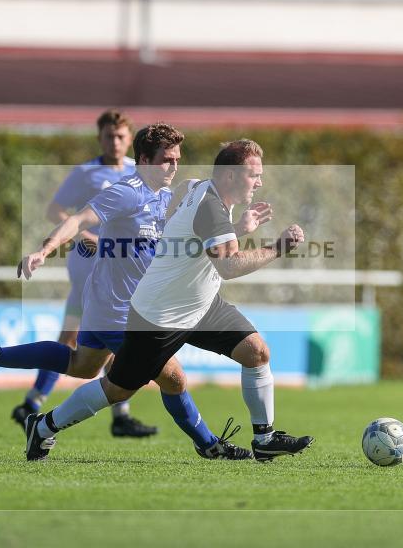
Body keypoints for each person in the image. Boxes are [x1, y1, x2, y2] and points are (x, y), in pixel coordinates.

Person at [0, 124, 269, 461]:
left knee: (81, 365)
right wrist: (45, 249)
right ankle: (209, 444)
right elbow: (79, 220)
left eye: (177, 160)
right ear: (143, 161)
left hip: (111, 302)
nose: (174, 167)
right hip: (120, 308)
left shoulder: (169, 198)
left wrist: (237, 230)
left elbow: (180, 246)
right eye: (166, 160)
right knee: (172, 378)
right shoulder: (127, 192)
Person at [24, 139, 314, 462]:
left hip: (202, 305)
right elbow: (229, 266)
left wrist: (235, 229)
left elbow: (184, 213)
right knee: (117, 389)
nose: (259, 182)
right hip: (159, 316)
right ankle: (43, 426)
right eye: (253, 175)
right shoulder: (210, 207)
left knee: (256, 352)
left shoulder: (198, 188)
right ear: (231, 175)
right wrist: (277, 248)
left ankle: (265, 439)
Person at [9, 109, 156, 438]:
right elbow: (55, 210)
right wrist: (83, 235)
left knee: (93, 341)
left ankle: (35, 403)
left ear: (130, 140)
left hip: (121, 271)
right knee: (88, 338)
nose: (114, 142)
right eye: (108, 136)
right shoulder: (86, 172)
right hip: (88, 268)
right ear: (99, 138)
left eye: (120, 136)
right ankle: (41, 404)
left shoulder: (137, 172)